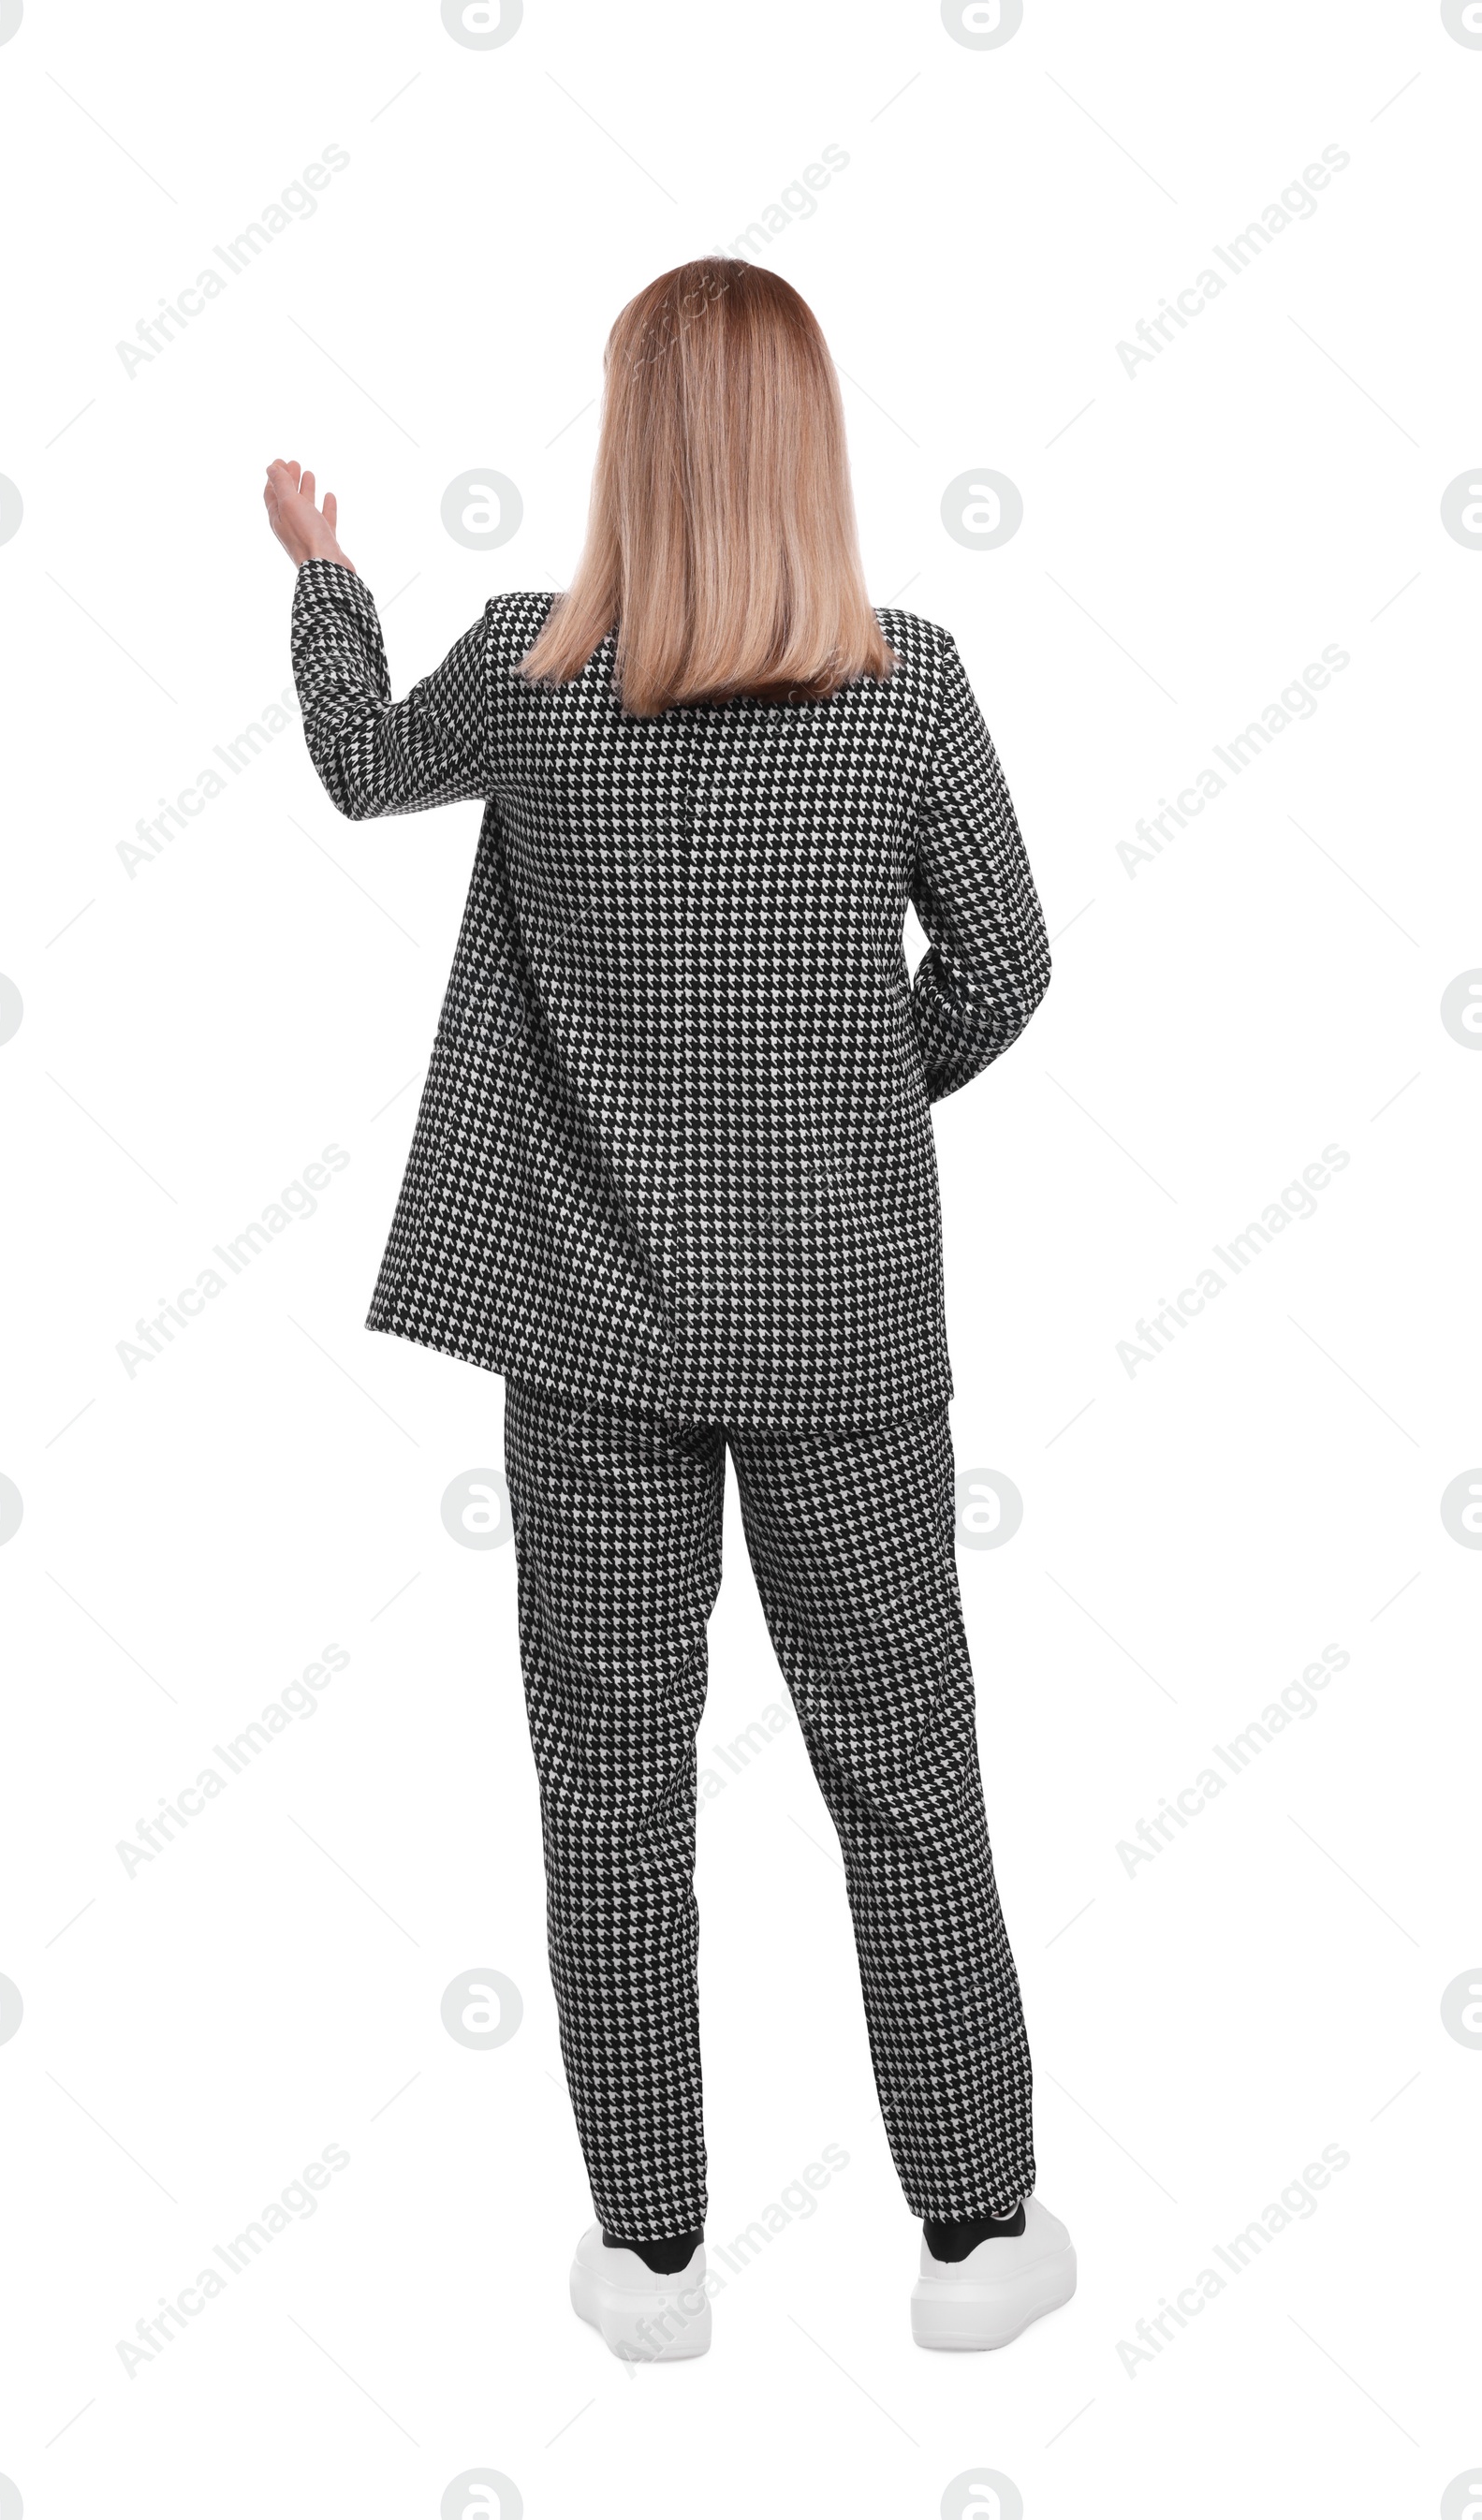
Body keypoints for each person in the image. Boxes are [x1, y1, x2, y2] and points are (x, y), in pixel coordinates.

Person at [265, 255, 1074, 2360]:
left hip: (591, 1336)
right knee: (905, 1766)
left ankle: (650, 2257)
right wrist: (835, 1106)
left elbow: (357, 770)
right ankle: (974, 2237)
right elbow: (1001, 969)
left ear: (628, 441)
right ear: (807, 443)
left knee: (608, 1781)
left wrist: (324, 574)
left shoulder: (529, 682)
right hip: (847, 1347)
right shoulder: (909, 680)